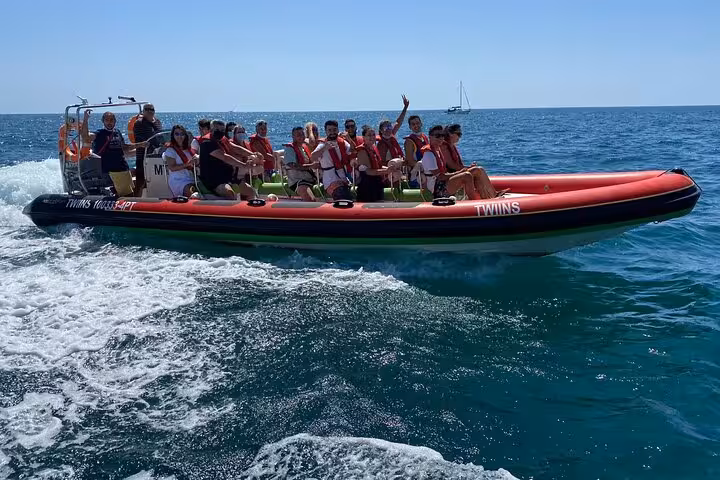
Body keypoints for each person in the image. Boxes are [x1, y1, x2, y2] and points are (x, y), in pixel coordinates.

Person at [80, 110, 147, 197]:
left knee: (134, 188)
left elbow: (124, 148)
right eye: (107, 120)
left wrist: (140, 145)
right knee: (128, 195)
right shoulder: (100, 133)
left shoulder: (117, 132)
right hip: (112, 170)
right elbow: (85, 137)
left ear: (115, 121)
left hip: (123, 168)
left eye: (111, 120)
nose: (109, 122)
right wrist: (85, 119)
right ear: (103, 121)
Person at [198, 120, 258, 200]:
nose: (220, 132)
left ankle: (247, 210)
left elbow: (235, 148)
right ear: (211, 130)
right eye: (217, 130)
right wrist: (243, 165)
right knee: (229, 192)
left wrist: (252, 154)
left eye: (222, 130)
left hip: (229, 177)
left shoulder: (223, 139)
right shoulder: (207, 143)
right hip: (215, 180)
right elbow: (225, 157)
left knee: (250, 191)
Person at [421, 125, 480, 200]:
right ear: (430, 137)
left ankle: (488, 195)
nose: (440, 138)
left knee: (474, 172)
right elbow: (440, 177)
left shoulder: (438, 151)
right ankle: (474, 204)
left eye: (442, 135)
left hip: (442, 183)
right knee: (466, 175)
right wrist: (459, 172)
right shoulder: (429, 154)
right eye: (437, 136)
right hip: (436, 189)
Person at [440, 124, 497, 199]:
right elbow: (451, 165)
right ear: (450, 134)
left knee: (477, 172)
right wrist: (467, 168)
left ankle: (487, 198)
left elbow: (456, 166)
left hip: (455, 176)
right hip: (448, 179)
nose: (460, 137)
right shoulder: (444, 147)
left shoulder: (452, 146)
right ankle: (493, 195)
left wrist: (468, 167)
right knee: (478, 169)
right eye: (458, 134)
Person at [311, 120, 354, 200]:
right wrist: (324, 148)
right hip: (330, 180)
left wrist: (348, 138)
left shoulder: (342, 142)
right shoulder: (322, 145)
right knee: (342, 194)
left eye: (334, 130)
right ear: (326, 131)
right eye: (329, 130)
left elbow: (353, 150)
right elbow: (313, 157)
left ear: (338, 130)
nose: (332, 132)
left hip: (343, 178)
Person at [355, 125, 396, 202]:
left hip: (377, 183)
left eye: (373, 135)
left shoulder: (373, 148)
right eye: (369, 135)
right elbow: (369, 171)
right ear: (363, 137)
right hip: (367, 187)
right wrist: (386, 171)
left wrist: (390, 169)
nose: (372, 137)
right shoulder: (362, 151)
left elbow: (378, 166)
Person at [132, 103, 163, 196]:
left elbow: (160, 136)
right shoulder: (139, 123)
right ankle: (136, 200)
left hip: (156, 156)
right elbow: (143, 139)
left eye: (152, 109)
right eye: (147, 109)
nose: (150, 111)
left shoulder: (157, 121)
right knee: (140, 181)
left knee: (156, 179)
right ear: (143, 111)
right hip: (143, 156)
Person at [283, 126, 319, 201]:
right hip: (298, 181)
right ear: (293, 136)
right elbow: (293, 166)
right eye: (298, 135)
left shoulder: (304, 147)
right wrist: (311, 166)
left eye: (302, 134)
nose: (301, 137)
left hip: (310, 179)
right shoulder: (290, 149)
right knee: (310, 200)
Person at [162, 125, 198, 197]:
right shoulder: (170, 151)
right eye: (177, 134)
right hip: (179, 180)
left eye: (182, 134)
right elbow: (172, 168)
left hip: (192, 178)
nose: (179, 136)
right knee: (194, 194)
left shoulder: (189, 149)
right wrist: (188, 164)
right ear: (173, 135)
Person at [376, 95, 410, 164]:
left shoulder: (391, 135)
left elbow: (399, 122)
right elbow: (381, 161)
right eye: (386, 128)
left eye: (390, 127)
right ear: (381, 131)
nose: (388, 129)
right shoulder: (380, 143)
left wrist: (405, 107)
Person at [403, 115, 429, 188]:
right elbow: (410, 161)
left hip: (426, 170)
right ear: (410, 127)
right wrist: (426, 168)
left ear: (421, 124)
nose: (416, 125)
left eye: (417, 123)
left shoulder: (424, 137)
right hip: (416, 174)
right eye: (413, 124)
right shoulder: (409, 142)